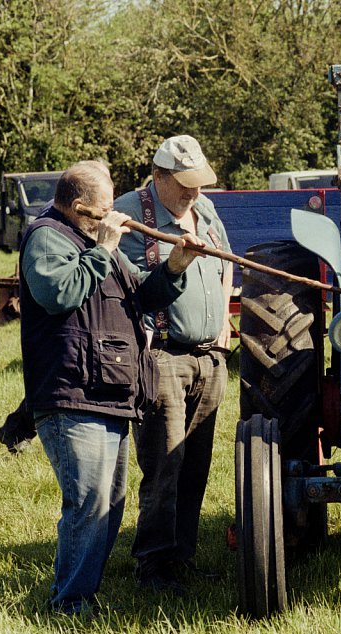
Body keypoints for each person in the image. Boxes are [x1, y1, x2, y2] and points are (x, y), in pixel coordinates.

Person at [19, 160, 204, 615]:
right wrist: (103, 248)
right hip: (72, 394)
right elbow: (58, 294)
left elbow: (139, 294)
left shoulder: (92, 242)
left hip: (109, 392)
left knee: (109, 504)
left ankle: (82, 595)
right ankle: (70, 603)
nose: (111, 217)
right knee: (88, 503)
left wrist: (175, 267)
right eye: (103, 209)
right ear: (78, 206)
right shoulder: (47, 237)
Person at [114, 135, 233, 596]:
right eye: (184, 184)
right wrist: (176, 267)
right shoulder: (131, 216)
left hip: (210, 358)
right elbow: (134, 290)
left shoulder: (206, 210)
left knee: (196, 465)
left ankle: (182, 557)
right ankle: (153, 566)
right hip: (162, 356)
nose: (193, 192)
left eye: (198, 183)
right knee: (165, 464)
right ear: (158, 176)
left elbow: (226, 263)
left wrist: (223, 325)